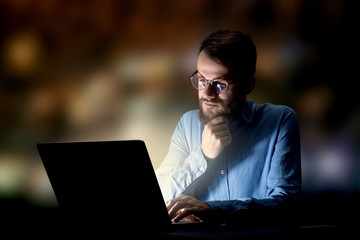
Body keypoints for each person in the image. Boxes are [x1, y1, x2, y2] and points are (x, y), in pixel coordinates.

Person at [155, 30, 301, 226]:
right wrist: (202, 155)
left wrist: (213, 210)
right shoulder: (187, 123)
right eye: (202, 80)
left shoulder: (280, 120)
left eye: (220, 84)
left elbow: (286, 205)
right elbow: (159, 196)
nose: (207, 93)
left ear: (248, 85)